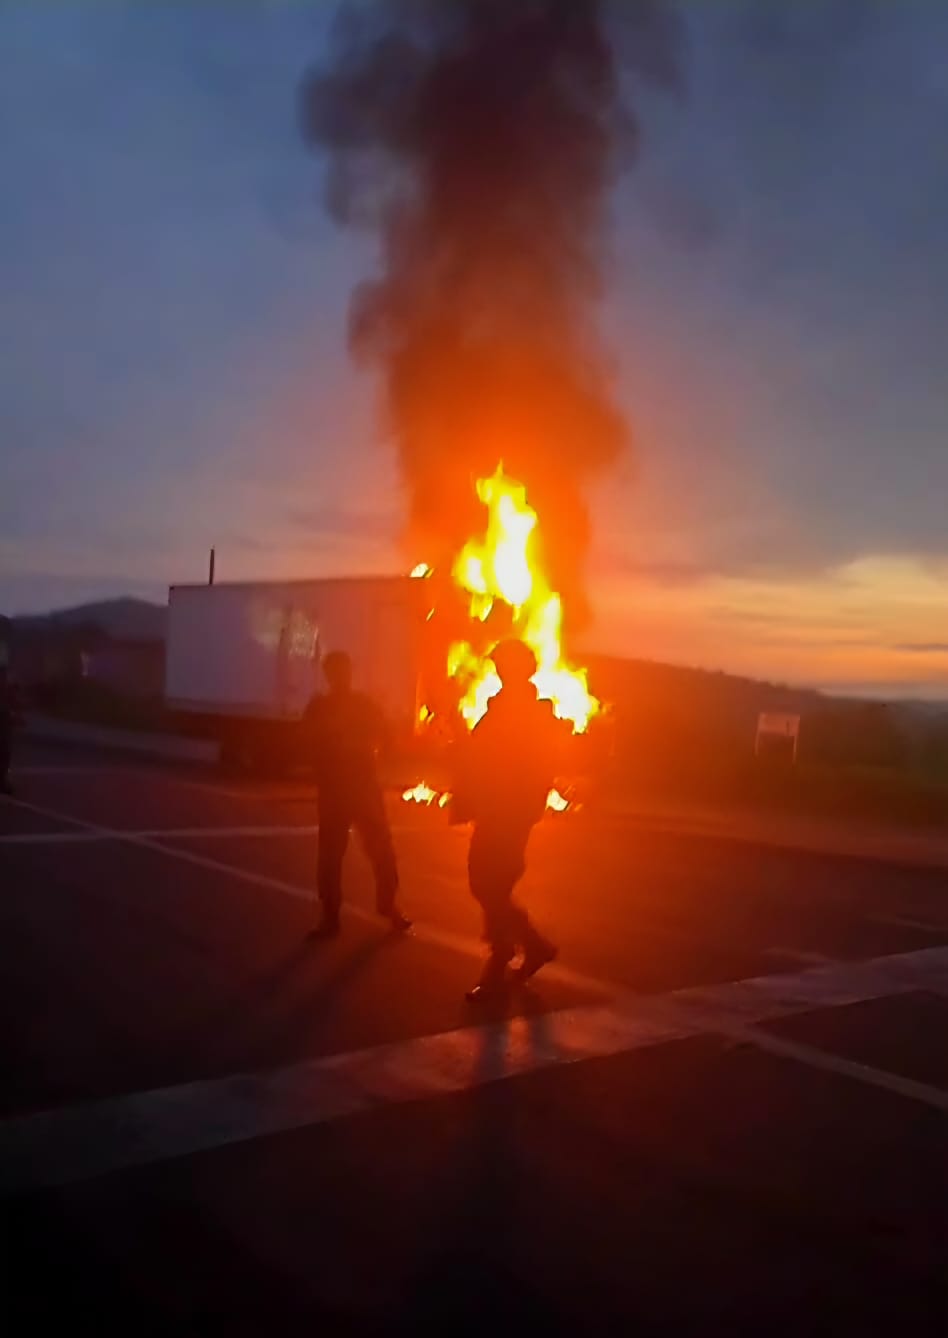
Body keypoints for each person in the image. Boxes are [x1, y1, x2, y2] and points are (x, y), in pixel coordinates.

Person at [453, 639, 566, 1001]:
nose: (499, 669)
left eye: (504, 663)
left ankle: (503, 958)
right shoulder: (508, 706)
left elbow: (506, 762)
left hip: (507, 812)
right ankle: (532, 947)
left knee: (488, 884)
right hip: (501, 810)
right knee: (490, 884)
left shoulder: (521, 711)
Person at [304, 650, 411, 939]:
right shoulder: (320, 708)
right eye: (336, 672)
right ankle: (330, 916)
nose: (341, 677)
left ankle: (389, 906)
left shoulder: (363, 705)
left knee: (382, 852)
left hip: (363, 788)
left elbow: (387, 735)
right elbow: (307, 743)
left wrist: (372, 752)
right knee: (330, 856)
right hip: (335, 791)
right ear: (329, 675)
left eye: (344, 671)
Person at [0, 667, 18, 796]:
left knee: (5, 752)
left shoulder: (8, 690)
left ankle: (2, 781)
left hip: (4, 724)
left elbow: (13, 704)